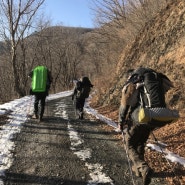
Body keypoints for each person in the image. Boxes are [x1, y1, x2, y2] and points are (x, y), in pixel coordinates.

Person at [118, 67, 170, 185]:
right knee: (140, 142)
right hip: (154, 116)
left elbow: (124, 104)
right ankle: (139, 171)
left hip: (140, 117)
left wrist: (121, 121)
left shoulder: (133, 83)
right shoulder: (151, 82)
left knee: (129, 143)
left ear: (130, 75)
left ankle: (143, 168)